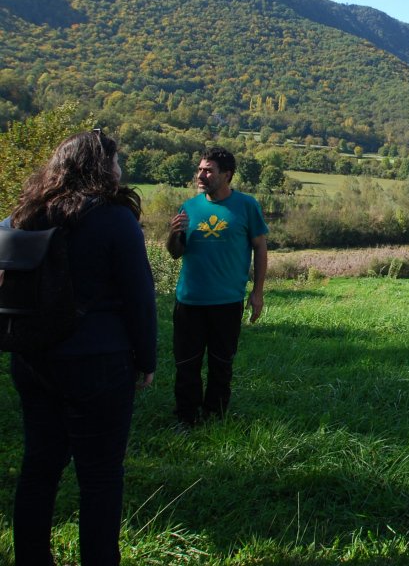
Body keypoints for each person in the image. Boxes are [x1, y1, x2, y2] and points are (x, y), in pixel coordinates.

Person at [6, 129, 157, 566]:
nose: (121, 168)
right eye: (116, 160)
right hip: (98, 362)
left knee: (39, 466)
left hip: (33, 358)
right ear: (101, 165)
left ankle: (32, 559)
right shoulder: (112, 217)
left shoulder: (26, 213)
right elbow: (139, 296)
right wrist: (146, 360)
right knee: (101, 476)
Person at [166, 146, 268, 429]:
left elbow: (260, 248)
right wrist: (173, 234)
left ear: (227, 175)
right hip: (190, 300)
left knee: (221, 364)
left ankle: (215, 416)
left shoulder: (247, 206)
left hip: (227, 301)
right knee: (186, 365)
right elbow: (175, 252)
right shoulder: (189, 207)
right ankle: (186, 418)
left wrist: (257, 293)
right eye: (200, 169)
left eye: (208, 170)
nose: (201, 175)